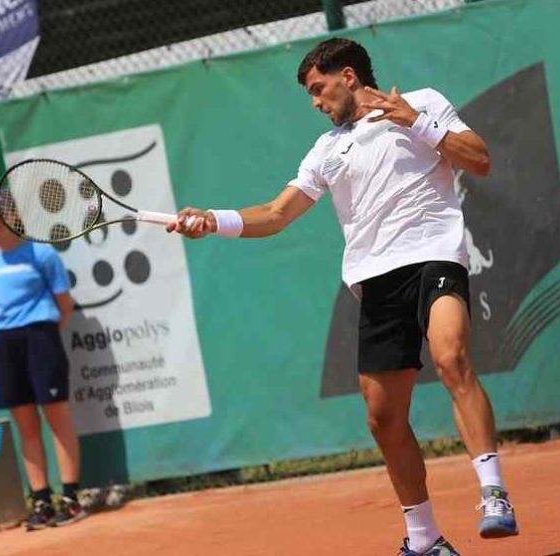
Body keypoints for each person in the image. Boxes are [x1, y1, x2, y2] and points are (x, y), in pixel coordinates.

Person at [168, 38, 518, 555]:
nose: (315, 102)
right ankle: (423, 542)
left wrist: (414, 121)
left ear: (348, 77)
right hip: (375, 280)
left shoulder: (421, 101)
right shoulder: (326, 150)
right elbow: (276, 213)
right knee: (382, 417)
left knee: (451, 356)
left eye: (318, 89)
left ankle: (494, 494)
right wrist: (211, 222)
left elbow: (480, 160)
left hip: (433, 257)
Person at [0, 188, 86, 530]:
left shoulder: (42, 253)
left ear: (16, 216)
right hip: (3, 343)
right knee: (25, 425)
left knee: (56, 416)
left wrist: (43, 333)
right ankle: (40, 500)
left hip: (40, 337)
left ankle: (70, 497)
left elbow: (64, 305)